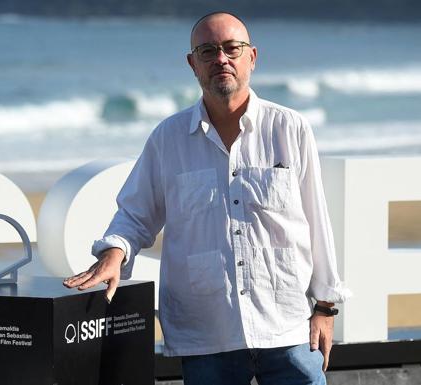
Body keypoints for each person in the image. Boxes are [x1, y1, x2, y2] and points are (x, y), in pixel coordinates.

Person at [64, 11, 349, 385]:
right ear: (192, 63)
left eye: (232, 48)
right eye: (208, 51)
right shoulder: (168, 138)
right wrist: (114, 253)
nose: (221, 59)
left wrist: (325, 306)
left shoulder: (289, 128)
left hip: (287, 328)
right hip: (205, 336)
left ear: (252, 57)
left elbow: (317, 219)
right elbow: (135, 214)